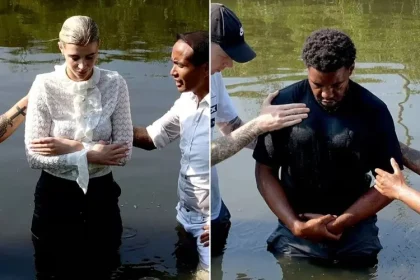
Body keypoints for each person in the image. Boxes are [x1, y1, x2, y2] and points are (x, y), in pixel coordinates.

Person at [253, 28, 403, 266]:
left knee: (362, 264)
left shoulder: (373, 110)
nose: (326, 94)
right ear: (307, 70)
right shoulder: (283, 106)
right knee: (293, 265)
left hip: (355, 223)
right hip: (296, 222)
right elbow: (265, 171)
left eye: (337, 85)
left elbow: (391, 182)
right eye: (317, 85)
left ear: (351, 70)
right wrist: (296, 225)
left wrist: (340, 222)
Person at [24, 15, 132, 279]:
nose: (83, 66)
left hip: (101, 195)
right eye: (75, 57)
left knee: (104, 267)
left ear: (99, 48)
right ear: (61, 48)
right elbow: (33, 156)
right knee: (51, 269)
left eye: (90, 56)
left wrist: (69, 146)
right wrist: (89, 152)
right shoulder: (44, 85)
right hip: (54, 196)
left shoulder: (115, 83)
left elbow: (123, 153)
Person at [210, 2, 310, 259]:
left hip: (216, 209)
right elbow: (202, 155)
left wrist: (285, 142)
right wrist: (259, 124)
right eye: (226, 54)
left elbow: (230, 127)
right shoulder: (185, 83)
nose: (230, 65)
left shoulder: (213, 77)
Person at [132, 31, 210, 274]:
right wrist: (105, 128)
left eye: (180, 65)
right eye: (172, 63)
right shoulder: (187, 100)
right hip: (185, 217)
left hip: (209, 228)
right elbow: (152, 137)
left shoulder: (219, 112)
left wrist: (216, 220)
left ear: (205, 69)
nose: (172, 72)